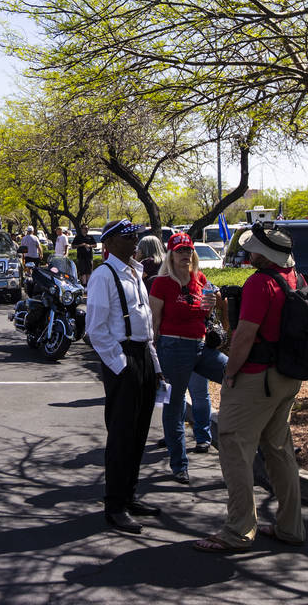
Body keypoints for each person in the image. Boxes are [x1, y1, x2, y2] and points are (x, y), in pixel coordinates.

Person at [195, 223, 304, 552]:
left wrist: (231, 374)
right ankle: (290, 526)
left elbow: (244, 336)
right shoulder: (294, 277)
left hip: (258, 378)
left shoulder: (260, 282)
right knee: (279, 449)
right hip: (286, 376)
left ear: (266, 253)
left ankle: (238, 529)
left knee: (233, 448)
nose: (249, 251)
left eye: (254, 247)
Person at [85, 219, 161, 534]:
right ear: (111, 242)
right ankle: (114, 506)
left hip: (142, 354)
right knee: (121, 436)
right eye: (129, 238)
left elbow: (145, 327)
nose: (135, 243)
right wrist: (121, 366)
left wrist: (153, 365)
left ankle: (129, 496)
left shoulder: (135, 272)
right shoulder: (105, 275)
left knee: (139, 433)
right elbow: (96, 330)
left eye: (136, 237)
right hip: (124, 358)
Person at [150, 232, 227, 484]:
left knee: (235, 376)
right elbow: (154, 324)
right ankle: (179, 464)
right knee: (175, 405)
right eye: (180, 250)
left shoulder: (200, 279)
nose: (185, 255)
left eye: (188, 250)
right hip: (173, 347)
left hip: (201, 346)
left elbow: (205, 313)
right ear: (170, 255)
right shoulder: (162, 283)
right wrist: (155, 359)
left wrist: (214, 304)